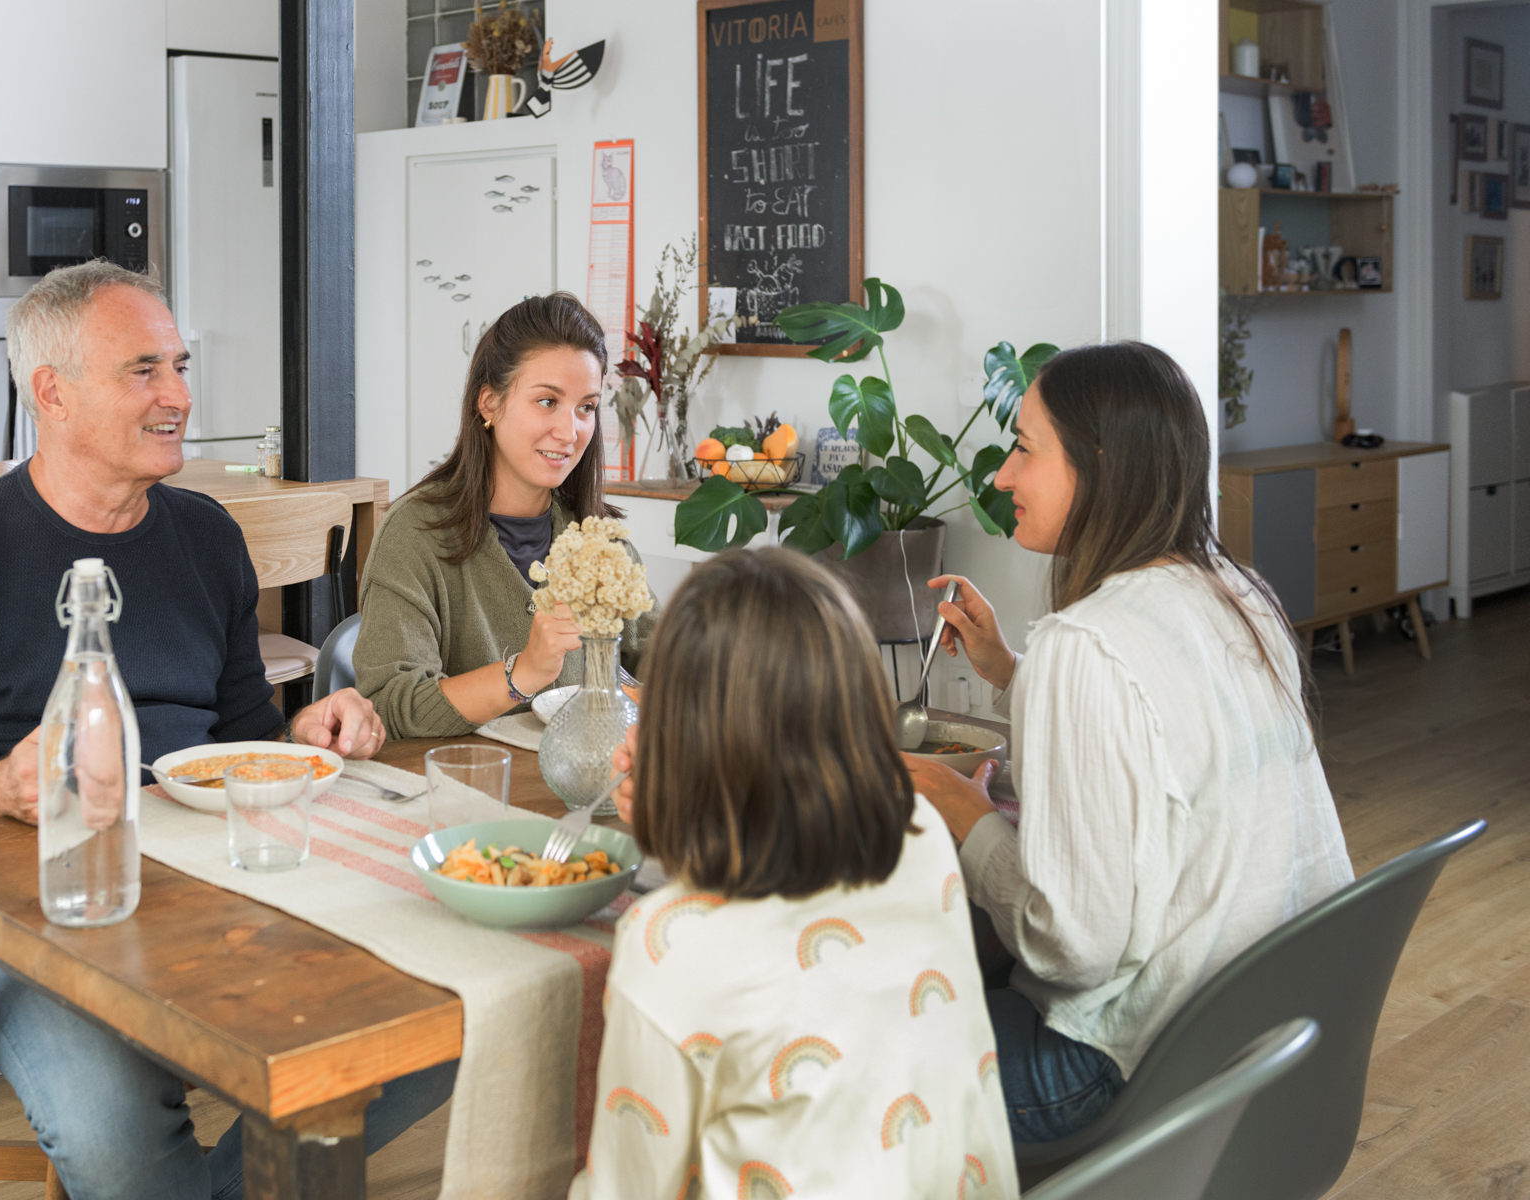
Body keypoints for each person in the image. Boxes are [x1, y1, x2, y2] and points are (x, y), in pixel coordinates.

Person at [0, 260, 454, 1200]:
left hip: (197, 881)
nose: (179, 395)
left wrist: (307, 735)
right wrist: (0, 789)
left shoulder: (205, 537)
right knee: (119, 1139)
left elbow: (244, 736)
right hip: (19, 911)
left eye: (179, 365)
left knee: (448, 1004)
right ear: (53, 393)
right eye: (143, 370)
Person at [909, 341, 1353, 1145]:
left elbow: (1070, 949)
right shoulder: (1240, 595)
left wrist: (961, 813)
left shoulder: (1084, 644)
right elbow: (1158, 736)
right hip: (1267, 1034)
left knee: (847, 1046)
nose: (1002, 477)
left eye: (1024, 449)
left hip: (1129, 1066)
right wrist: (1011, 671)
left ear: (1100, 467)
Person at [571, 549, 1016, 1200]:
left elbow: (628, 1187)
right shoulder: (920, 834)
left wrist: (676, 804)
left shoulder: (667, 942)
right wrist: (682, 808)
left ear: (676, 733)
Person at [353, 293, 658, 738]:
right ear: (489, 404)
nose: (570, 432)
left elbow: (661, 657)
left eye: (586, 407)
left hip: (583, 776)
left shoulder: (599, 542)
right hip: (461, 777)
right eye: (547, 401)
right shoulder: (414, 534)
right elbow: (390, 706)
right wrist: (525, 671)